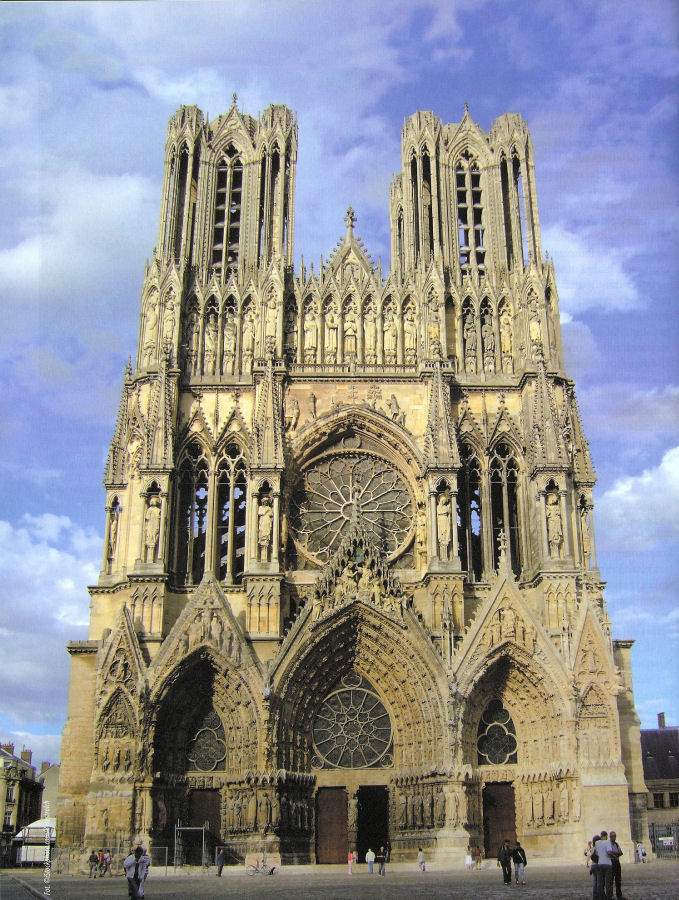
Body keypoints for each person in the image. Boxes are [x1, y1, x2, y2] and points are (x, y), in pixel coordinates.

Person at [591, 830, 615, 900]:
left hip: (600, 864)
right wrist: (614, 856)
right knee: (608, 883)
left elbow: (595, 854)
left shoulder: (597, 843)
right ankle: (608, 897)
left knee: (599, 883)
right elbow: (609, 852)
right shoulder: (608, 842)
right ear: (606, 836)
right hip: (607, 864)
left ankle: (600, 897)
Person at [609, 831, 624, 899]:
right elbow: (609, 853)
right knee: (611, 880)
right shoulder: (608, 844)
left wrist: (614, 853)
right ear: (610, 837)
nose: (614, 837)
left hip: (617, 863)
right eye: (612, 836)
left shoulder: (616, 844)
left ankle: (619, 895)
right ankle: (611, 895)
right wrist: (616, 853)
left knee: (618, 880)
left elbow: (621, 853)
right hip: (611, 863)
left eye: (615, 836)